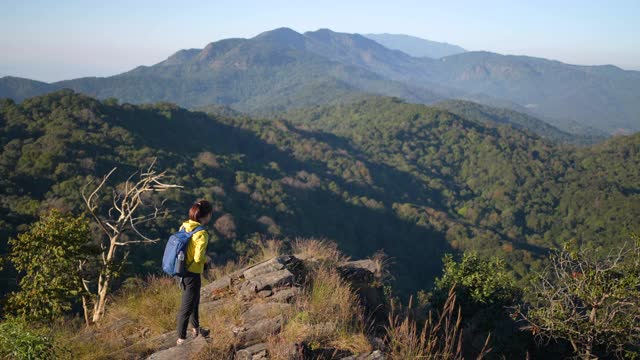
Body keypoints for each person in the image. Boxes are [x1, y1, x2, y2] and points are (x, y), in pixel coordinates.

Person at [176, 199, 213, 345]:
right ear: (207, 215)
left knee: (194, 301)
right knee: (187, 306)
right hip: (192, 273)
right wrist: (207, 259)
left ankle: (196, 329)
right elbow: (198, 258)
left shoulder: (185, 226)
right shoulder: (202, 233)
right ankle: (181, 339)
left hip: (181, 269)